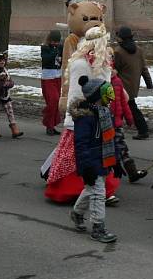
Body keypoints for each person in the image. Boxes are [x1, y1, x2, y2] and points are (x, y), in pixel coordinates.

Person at [43, 26, 122, 203]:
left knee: (97, 152)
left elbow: (106, 90)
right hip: (83, 115)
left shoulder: (101, 63)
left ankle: (98, 189)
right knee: (79, 153)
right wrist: (77, 114)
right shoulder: (81, 64)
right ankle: (77, 190)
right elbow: (77, 93)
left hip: (98, 114)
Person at [69, 76, 119, 243]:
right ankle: (98, 227)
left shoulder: (104, 113)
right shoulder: (85, 118)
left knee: (92, 190)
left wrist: (116, 160)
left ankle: (77, 212)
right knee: (98, 193)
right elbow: (80, 145)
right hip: (91, 160)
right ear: (98, 96)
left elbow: (110, 138)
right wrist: (86, 167)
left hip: (104, 158)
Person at [113, 26, 153, 139]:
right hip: (133, 85)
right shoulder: (139, 50)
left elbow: (115, 69)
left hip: (122, 86)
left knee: (125, 108)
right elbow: (144, 68)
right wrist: (149, 83)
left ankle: (140, 131)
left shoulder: (118, 51)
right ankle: (121, 130)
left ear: (120, 38)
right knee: (128, 107)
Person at [111, 70, 148, 183]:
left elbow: (123, 101)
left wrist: (129, 117)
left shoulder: (117, 81)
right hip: (105, 122)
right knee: (109, 151)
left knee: (122, 148)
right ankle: (110, 175)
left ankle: (132, 172)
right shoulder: (101, 80)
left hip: (116, 122)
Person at [0, 53, 23, 138]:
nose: (2, 62)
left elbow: (11, 83)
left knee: (10, 111)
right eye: (0, 60)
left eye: (3, 60)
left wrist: (5, 83)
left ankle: (14, 128)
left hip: (5, 95)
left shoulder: (6, 71)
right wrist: (0, 80)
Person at [40, 30, 63, 135]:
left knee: (57, 102)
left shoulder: (60, 47)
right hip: (48, 78)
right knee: (52, 101)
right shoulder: (45, 48)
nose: (56, 44)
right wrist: (54, 51)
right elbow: (46, 59)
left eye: (57, 42)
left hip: (58, 77)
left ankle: (52, 125)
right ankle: (48, 123)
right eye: (54, 41)